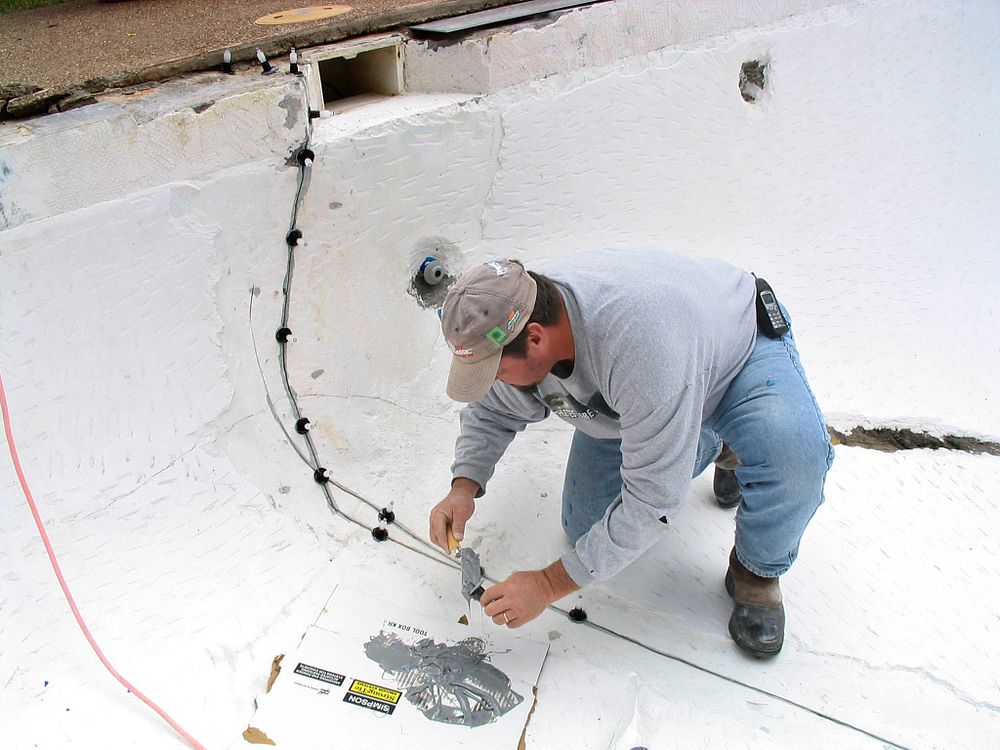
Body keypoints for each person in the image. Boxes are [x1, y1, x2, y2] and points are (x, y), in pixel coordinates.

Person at [428, 249, 833, 656]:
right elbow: (492, 408)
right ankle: (709, 443)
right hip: (657, 384)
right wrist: (464, 485)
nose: (495, 381)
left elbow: (653, 502)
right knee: (586, 526)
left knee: (795, 457)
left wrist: (547, 584)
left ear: (535, 338)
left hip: (739, 349)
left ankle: (756, 570)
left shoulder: (639, 349)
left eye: (496, 371)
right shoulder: (513, 310)